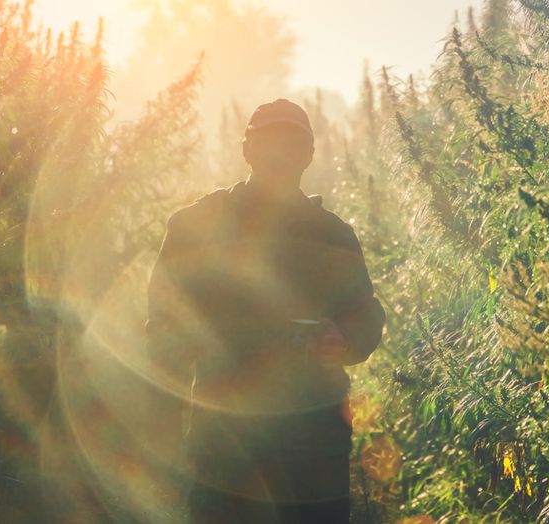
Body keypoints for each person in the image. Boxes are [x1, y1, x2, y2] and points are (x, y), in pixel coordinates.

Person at [145, 98, 385, 523]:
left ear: (309, 155)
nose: (280, 155)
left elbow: (366, 315)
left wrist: (342, 339)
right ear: (247, 150)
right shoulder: (195, 226)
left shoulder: (334, 235)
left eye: (292, 145)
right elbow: (164, 330)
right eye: (268, 143)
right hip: (226, 443)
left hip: (314, 443)